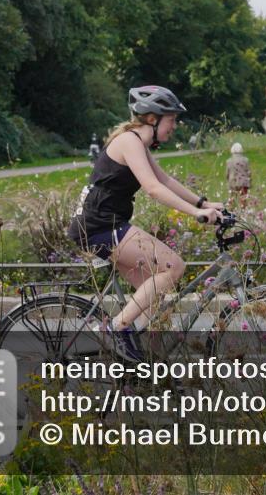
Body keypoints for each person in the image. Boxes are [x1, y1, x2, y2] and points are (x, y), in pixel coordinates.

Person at [67, 85, 224, 360]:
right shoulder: (129, 141)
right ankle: (116, 329)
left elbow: (165, 180)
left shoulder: (137, 143)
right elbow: (153, 188)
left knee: (154, 294)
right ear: (152, 118)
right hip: (100, 227)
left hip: (104, 226)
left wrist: (203, 203)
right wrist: (194, 213)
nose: (174, 126)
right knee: (173, 267)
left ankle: (139, 364)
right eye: (171, 120)